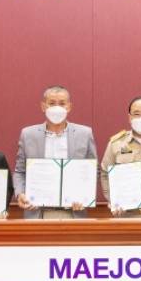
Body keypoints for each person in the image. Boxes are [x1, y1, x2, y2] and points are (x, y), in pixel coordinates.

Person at [13, 86, 97, 219]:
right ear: (43, 106)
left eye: (62, 103)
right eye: (52, 103)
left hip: (73, 213)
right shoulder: (28, 134)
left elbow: (93, 170)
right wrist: (20, 193)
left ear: (69, 107)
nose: (57, 108)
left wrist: (84, 196)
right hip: (37, 213)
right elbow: (20, 171)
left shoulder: (85, 134)